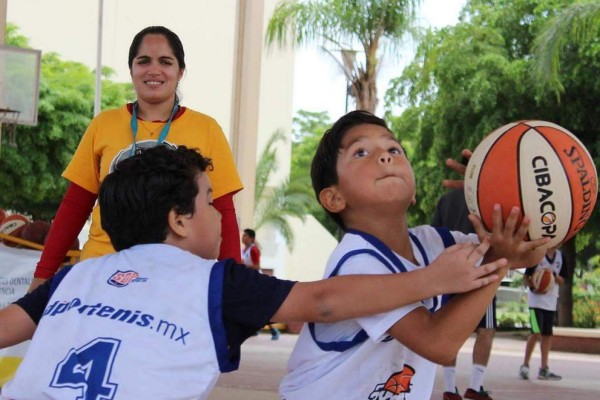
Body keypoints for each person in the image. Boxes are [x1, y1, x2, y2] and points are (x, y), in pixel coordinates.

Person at [0, 145, 506, 398]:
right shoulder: (215, 282)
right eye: (207, 201)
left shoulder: (75, 278)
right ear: (178, 221)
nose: (219, 213)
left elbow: (5, 329)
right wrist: (434, 280)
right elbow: (321, 302)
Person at [279, 110, 548, 400]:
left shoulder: (433, 242)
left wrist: (503, 194)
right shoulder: (357, 261)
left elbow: (529, 252)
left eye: (394, 148)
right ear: (334, 198)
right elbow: (438, 343)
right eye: (360, 152)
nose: (385, 157)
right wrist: (497, 263)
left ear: (414, 191)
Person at [28, 26, 243, 293]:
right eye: (144, 61)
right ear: (131, 69)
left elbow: (224, 211)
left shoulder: (207, 128)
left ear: (180, 72)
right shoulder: (103, 124)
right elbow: (75, 205)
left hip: (177, 278)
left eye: (165, 62)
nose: (154, 70)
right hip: (102, 272)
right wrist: (43, 274)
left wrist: (234, 281)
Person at [432, 188, 497, 400]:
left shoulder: (446, 199)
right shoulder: (488, 198)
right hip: (480, 269)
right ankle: (475, 386)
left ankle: (450, 388)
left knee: (448, 329)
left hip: (450, 271)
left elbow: (435, 233)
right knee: (486, 330)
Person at [519, 246, 566, 381]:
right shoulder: (537, 255)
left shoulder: (561, 257)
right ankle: (525, 366)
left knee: (547, 335)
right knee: (535, 332)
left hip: (550, 304)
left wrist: (551, 276)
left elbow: (563, 280)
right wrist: (535, 286)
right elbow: (525, 278)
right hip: (535, 303)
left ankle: (544, 369)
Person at [241, 228, 280, 340]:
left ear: (251, 238)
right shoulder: (244, 250)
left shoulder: (253, 250)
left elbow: (257, 266)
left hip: (256, 281)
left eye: (246, 236)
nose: (243, 237)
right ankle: (254, 329)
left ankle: (273, 330)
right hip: (248, 281)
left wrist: (243, 266)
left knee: (261, 306)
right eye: (243, 235)